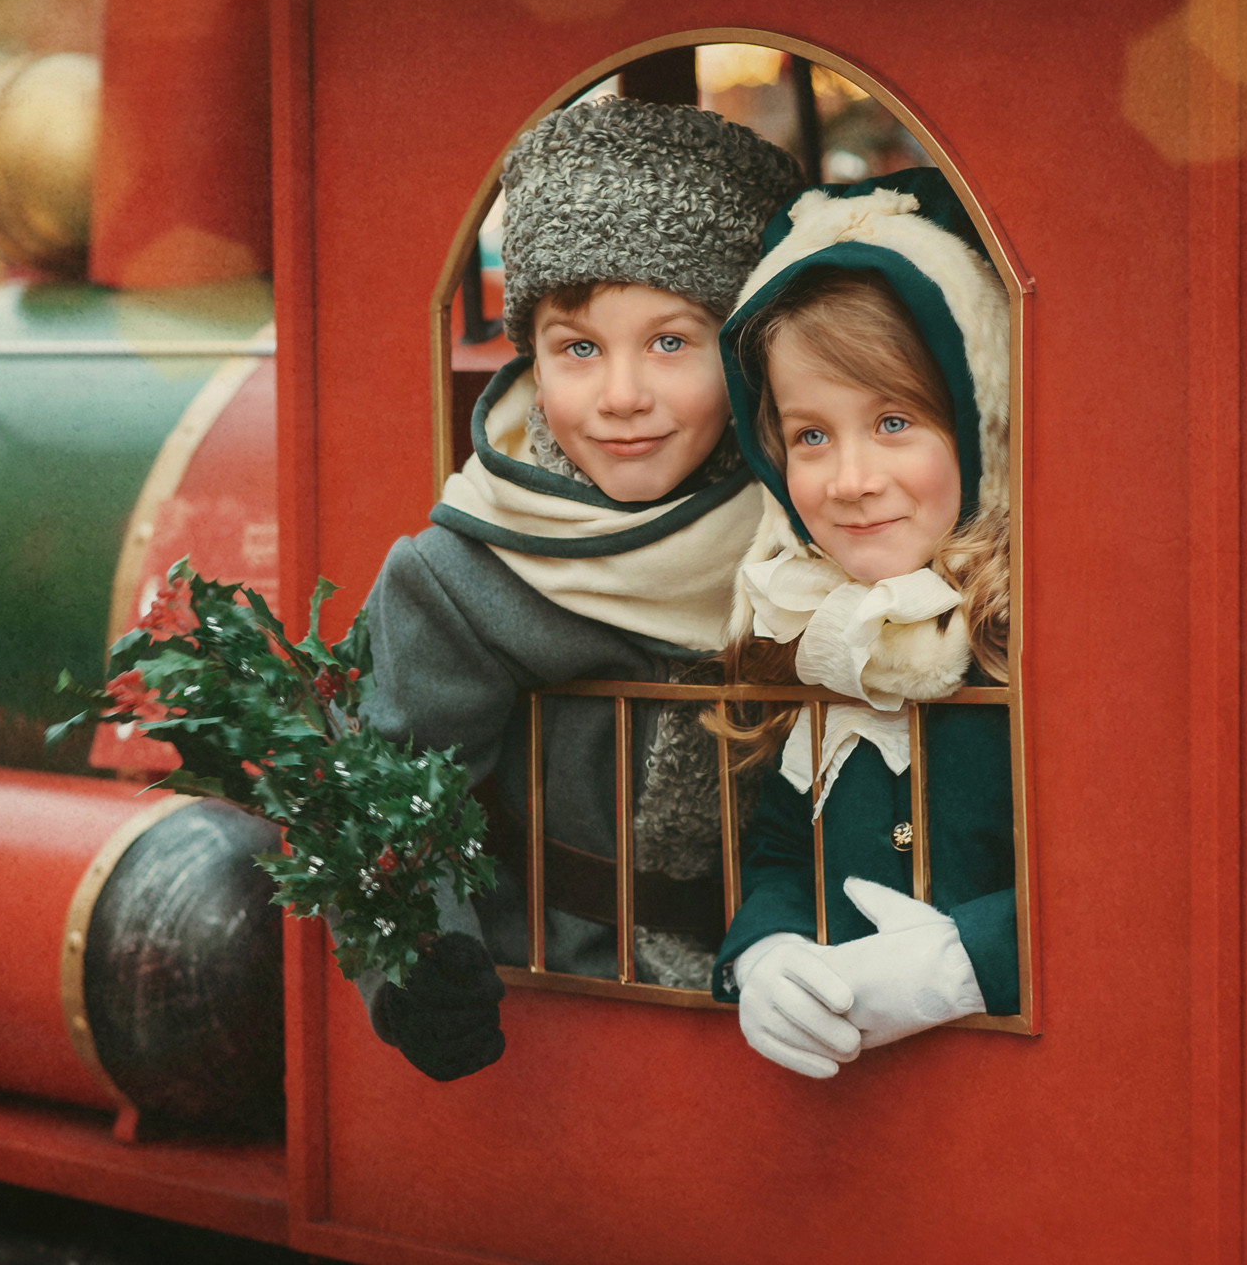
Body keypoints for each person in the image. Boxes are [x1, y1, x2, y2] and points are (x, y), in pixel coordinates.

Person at [356, 96, 804, 1080]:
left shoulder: (811, 532)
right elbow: (393, 795)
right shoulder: (457, 574)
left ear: (740, 348)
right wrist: (420, 963)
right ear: (533, 354)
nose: (620, 395)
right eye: (578, 347)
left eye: (670, 341)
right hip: (567, 1016)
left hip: (795, 1001)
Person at [708, 169, 1018, 1078]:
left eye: (893, 420)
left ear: (976, 418)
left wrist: (965, 964)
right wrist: (763, 957)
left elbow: (1137, 881)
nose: (848, 480)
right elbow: (777, 849)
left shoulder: (1046, 633)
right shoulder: (811, 626)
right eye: (810, 436)